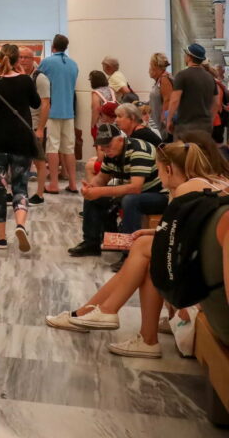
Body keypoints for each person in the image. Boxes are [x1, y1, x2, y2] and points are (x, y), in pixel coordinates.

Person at [46, 137, 229, 358]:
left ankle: (103, 313)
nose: (158, 177)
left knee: (145, 250)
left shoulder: (186, 190)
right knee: (146, 251)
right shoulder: (212, 186)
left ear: (169, 169)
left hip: (207, 296)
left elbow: (179, 242)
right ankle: (109, 319)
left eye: (158, 170)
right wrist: (153, 232)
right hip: (207, 282)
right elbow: (191, 234)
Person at [0, 44, 41, 252]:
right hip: (21, 141)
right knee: (20, 186)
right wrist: (25, 77)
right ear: (17, 60)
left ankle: (1, 238)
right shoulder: (25, 81)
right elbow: (36, 103)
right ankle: (20, 224)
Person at [68, 123, 165, 257]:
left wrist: (99, 191)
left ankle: (129, 253)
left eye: (108, 145)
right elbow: (102, 178)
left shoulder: (139, 150)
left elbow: (135, 188)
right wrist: (90, 188)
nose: (105, 149)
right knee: (94, 196)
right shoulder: (111, 153)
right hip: (138, 193)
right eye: (102, 146)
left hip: (158, 194)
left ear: (120, 140)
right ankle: (91, 243)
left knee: (130, 200)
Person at [38, 34, 79, 194]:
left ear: (52, 46)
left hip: (52, 111)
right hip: (69, 111)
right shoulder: (73, 64)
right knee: (69, 148)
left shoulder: (46, 62)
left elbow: (38, 82)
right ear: (66, 47)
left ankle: (54, 184)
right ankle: (73, 183)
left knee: (52, 147)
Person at [168, 43, 218, 139]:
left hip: (185, 127)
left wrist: (169, 120)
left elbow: (174, 100)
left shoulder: (182, 75)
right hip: (205, 128)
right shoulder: (210, 78)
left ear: (189, 57)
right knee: (201, 149)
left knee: (185, 149)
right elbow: (216, 103)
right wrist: (210, 121)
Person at [19, 46, 49, 205]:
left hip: (35, 125)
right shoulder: (18, 76)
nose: (23, 60)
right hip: (20, 125)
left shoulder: (40, 78)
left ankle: (40, 194)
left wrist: (40, 128)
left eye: (26, 57)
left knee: (39, 161)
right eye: (20, 57)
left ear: (33, 59)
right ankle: (19, 192)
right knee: (20, 161)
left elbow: (45, 104)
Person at [148, 52, 173, 141]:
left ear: (155, 66)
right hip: (157, 120)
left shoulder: (164, 79)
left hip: (162, 124)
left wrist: (165, 119)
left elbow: (168, 100)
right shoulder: (159, 80)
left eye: (150, 66)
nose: (149, 69)